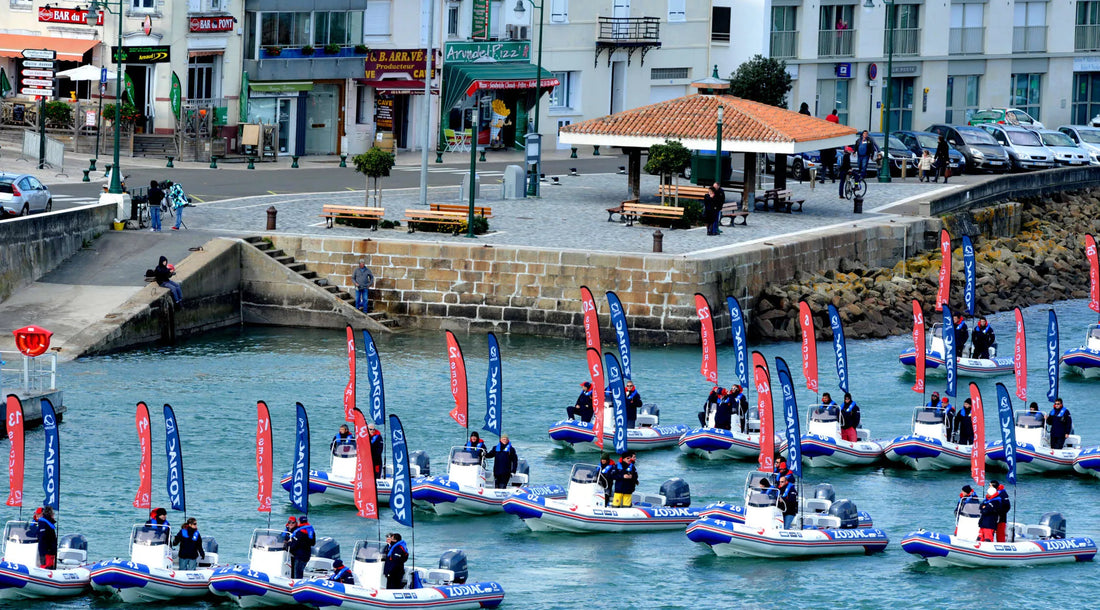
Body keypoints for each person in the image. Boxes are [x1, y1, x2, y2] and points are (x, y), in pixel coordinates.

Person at [288, 515, 315, 580]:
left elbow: (294, 545)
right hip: (307, 555)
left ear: (299, 521)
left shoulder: (299, 532)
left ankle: (295, 587)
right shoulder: (311, 530)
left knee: (297, 574)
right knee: (300, 572)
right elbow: (313, 543)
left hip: (299, 556)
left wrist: (288, 545)